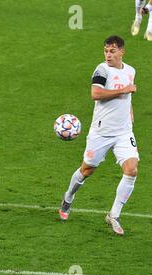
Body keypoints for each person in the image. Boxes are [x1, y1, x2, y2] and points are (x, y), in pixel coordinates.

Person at [58, 36, 139, 236]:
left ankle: (114, 215)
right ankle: (68, 197)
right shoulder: (101, 69)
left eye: (112, 51)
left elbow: (127, 98)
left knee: (132, 170)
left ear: (122, 52)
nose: (108, 55)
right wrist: (124, 90)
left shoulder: (130, 71)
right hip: (101, 133)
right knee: (87, 170)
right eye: (106, 51)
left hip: (123, 132)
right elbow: (96, 93)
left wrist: (130, 112)